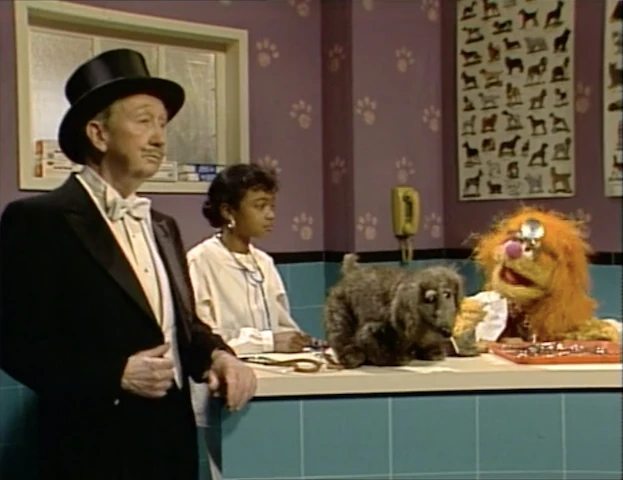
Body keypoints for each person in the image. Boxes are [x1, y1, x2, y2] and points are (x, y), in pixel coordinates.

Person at [0, 49, 256, 480]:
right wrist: (114, 375)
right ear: (99, 134)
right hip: (90, 451)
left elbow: (183, 327)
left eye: (163, 124)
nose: (159, 138)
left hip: (172, 446)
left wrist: (219, 356)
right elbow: (14, 343)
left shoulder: (163, 226)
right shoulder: (39, 220)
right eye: (143, 121)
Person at [186, 164, 312, 356]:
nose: (270, 215)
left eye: (272, 206)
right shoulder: (201, 261)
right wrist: (266, 342)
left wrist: (297, 340)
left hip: (273, 367)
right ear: (228, 211)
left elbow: (283, 327)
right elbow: (203, 340)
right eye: (260, 206)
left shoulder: (264, 262)